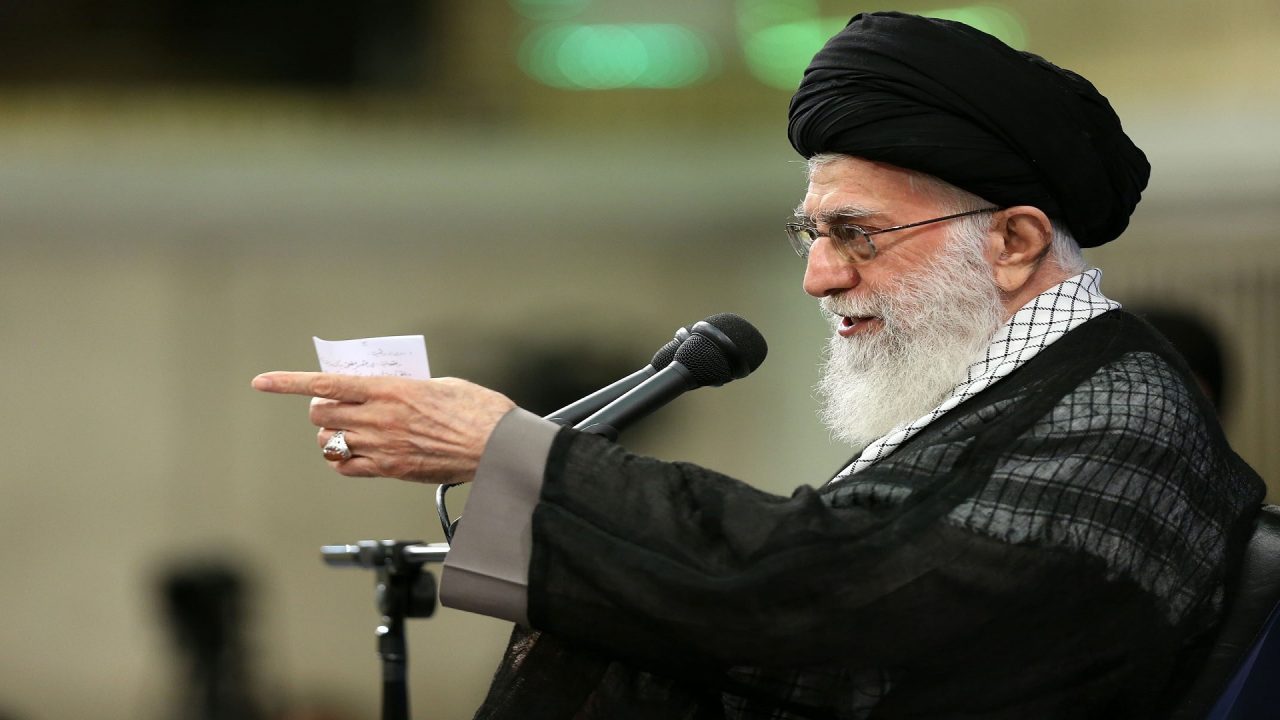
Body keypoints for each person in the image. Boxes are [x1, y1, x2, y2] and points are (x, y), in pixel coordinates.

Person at [253, 12, 1264, 719]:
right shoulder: (1019, 393)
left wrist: (514, 452)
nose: (818, 278)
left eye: (857, 234)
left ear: (1011, 241)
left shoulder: (1121, 412)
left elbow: (839, 592)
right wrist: (510, 463)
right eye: (809, 235)